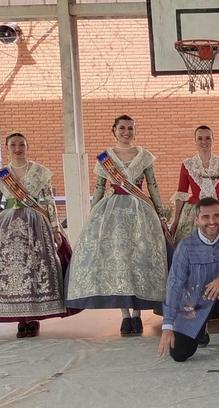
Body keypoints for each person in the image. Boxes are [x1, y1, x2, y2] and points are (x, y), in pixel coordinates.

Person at [0, 133, 76, 337]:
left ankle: (32, 318)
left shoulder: (40, 172)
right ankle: (21, 319)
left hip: (36, 225)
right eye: (13, 144)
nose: (18, 148)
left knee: (33, 270)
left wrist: (56, 229)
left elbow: (49, 202)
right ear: (7, 147)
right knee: (13, 271)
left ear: (27, 146)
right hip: (7, 225)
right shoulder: (2, 174)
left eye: (21, 144)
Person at [65, 115, 169, 335]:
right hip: (112, 214)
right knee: (120, 261)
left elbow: (153, 187)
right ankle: (125, 315)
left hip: (141, 213)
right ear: (114, 130)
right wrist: (93, 217)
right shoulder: (105, 159)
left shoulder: (145, 157)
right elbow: (99, 189)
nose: (126, 132)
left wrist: (161, 214)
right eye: (122, 128)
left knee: (139, 261)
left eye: (130, 128)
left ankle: (138, 314)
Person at [157, 198, 219, 361]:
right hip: (193, 305)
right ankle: (199, 331)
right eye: (206, 217)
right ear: (197, 220)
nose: (212, 221)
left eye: (216, 216)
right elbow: (174, 285)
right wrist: (167, 325)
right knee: (179, 354)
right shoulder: (186, 246)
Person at [169, 125, 219, 242]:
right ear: (195, 141)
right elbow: (181, 193)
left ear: (213, 139)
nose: (204, 141)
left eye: (208, 138)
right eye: (200, 138)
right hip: (195, 212)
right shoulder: (188, 164)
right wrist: (176, 220)